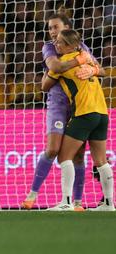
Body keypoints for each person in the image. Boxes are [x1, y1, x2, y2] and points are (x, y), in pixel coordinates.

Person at [21, 12, 103, 210]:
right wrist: (78, 61)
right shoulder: (49, 47)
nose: (51, 32)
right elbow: (54, 67)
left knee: (78, 154)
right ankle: (32, 195)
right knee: (53, 148)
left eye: (55, 27)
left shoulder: (82, 47)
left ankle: (76, 202)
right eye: (49, 28)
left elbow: (100, 69)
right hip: (58, 104)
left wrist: (91, 69)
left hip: (80, 105)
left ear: (67, 28)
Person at [44, 29, 113, 211]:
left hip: (84, 114)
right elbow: (103, 71)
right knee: (101, 160)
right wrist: (94, 69)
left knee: (64, 156)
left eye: (60, 42)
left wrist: (52, 70)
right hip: (102, 113)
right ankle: (108, 203)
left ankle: (66, 202)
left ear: (70, 45)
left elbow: (44, 86)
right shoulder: (89, 59)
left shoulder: (64, 62)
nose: (56, 45)